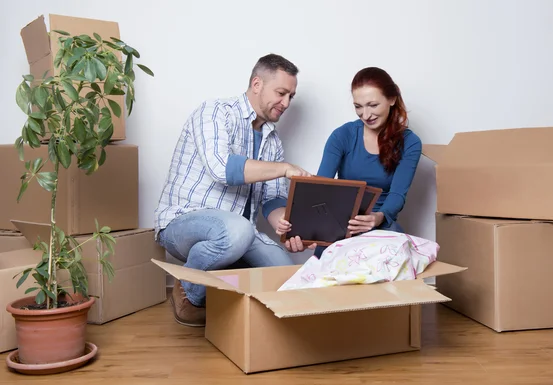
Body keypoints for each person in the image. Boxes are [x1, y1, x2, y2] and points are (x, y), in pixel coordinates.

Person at [154, 54, 313, 327]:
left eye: (291, 96)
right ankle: (190, 291)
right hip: (183, 222)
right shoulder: (215, 112)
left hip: (239, 233)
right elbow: (221, 168)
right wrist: (285, 168)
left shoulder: (272, 140)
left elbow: (272, 199)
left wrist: (286, 227)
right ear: (256, 84)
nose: (286, 103)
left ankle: (222, 279)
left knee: (288, 276)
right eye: (281, 93)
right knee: (237, 230)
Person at [277, 67, 422, 255]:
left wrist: (378, 217)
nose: (366, 115)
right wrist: (300, 228)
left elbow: (397, 195)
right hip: (339, 223)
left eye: (373, 105)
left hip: (380, 224)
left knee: (394, 253)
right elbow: (320, 187)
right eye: (358, 107)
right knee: (325, 262)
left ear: (392, 99)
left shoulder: (410, 143)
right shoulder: (342, 136)